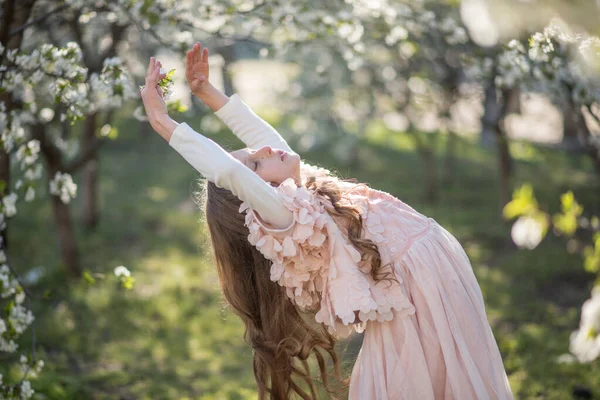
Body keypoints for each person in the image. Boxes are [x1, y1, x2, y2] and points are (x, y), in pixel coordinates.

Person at [139, 42, 515, 400]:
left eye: (253, 153)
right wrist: (162, 122)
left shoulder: (304, 189)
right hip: (418, 296)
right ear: (256, 194)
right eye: (255, 163)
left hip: (435, 273)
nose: (266, 150)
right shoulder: (288, 218)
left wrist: (209, 95)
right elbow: (229, 173)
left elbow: (267, 141)